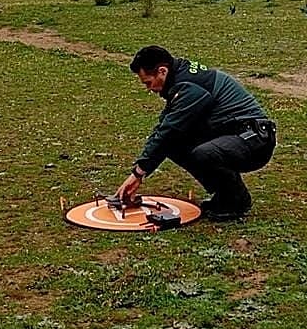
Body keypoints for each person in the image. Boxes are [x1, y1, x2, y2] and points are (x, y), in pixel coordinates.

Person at [115, 45, 276, 220]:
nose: (149, 89)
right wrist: (140, 170)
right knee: (174, 144)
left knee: (203, 153)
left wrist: (138, 175)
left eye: (148, 82)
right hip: (233, 133)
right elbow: (164, 130)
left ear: (162, 71)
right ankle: (224, 194)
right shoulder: (181, 80)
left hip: (255, 140)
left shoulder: (190, 88)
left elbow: (168, 131)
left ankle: (236, 201)